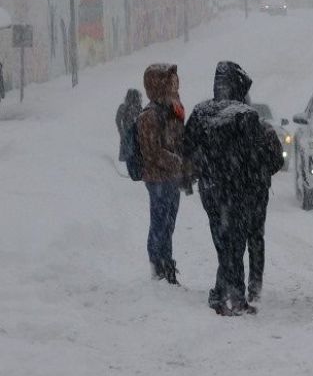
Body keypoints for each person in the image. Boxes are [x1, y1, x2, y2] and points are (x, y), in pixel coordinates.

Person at [185, 61, 283, 316]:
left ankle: (221, 293)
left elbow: (187, 149)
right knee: (235, 243)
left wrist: (199, 171)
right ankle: (234, 297)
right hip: (237, 189)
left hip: (211, 188)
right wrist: (255, 176)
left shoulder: (200, 112)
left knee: (222, 241)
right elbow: (255, 155)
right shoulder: (245, 116)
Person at [139, 64, 190, 285]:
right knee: (159, 222)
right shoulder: (150, 115)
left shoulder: (173, 109)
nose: (175, 85)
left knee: (169, 223)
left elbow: (179, 140)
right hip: (158, 177)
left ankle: (167, 264)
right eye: (170, 82)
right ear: (158, 85)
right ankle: (158, 267)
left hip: (171, 177)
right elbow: (152, 152)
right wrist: (178, 161)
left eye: (175, 81)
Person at [115, 89, 143, 161]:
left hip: (134, 135)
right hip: (129, 134)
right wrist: (121, 131)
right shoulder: (124, 107)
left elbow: (118, 120)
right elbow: (118, 120)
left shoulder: (139, 108)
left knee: (131, 154)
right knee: (127, 154)